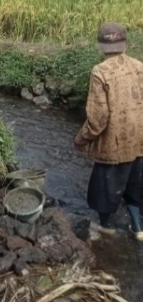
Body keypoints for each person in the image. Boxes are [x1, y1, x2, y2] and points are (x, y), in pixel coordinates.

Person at [74, 22, 143, 241]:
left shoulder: (100, 71)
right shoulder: (139, 66)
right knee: (135, 185)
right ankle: (138, 228)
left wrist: (81, 139)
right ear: (125, 43)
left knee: (105, 190)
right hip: (139, 142)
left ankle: (107, 227)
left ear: (100, 46)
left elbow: (98, 119)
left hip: (113, 147)